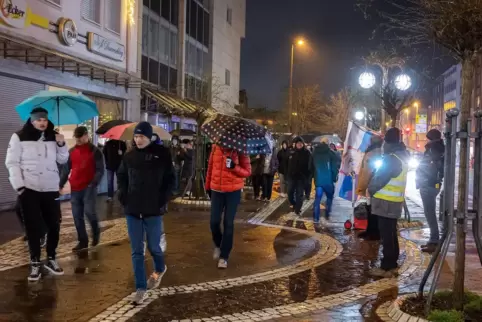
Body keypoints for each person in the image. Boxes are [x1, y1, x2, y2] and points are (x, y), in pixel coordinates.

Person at [5, 107, 69, 281]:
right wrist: (20, 187)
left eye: (45, 120)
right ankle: (34, 262)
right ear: (32, 121)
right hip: (29, 188)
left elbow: (63, 160)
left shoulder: (53, 136)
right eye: (39, 120)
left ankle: (51, 258)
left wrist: (62, 144)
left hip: (50, 187)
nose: (42, 123)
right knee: (32, 228)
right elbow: (12, 162)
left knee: (54, 225)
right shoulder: (19, 136)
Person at [117, 122, 174, 304]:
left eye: (142, 136)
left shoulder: (162, 155)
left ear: (149, 137)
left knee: (154, 247)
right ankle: (140, 289)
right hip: (132, 209)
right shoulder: (129, 156)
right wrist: (123, 196)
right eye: (136, 136)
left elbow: (171, 180)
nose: (138, 139)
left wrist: (162, 200)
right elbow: (122, 177)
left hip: (153, 209)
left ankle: (160, 267)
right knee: (136, 251)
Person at [367, 128, 409, 278]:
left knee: (386, 235)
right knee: (391, 234)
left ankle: (387, 266)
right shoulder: (401, 156)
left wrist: (370, 189)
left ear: (388, 141)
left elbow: (380, 179)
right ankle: (392, 263)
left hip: (386, 202)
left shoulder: (391, 158)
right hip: (394, 202)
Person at [205, 144, 251, 268]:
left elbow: (247, 171)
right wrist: (208, 186)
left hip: (233, 192)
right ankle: (219, 245)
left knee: (228, 223)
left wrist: (234, 167)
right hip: (216, 191)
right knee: (214, 222)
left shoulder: (240, 148)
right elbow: (210, 167)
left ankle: (224, 256)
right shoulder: (215, 147)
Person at [60, 126, 105, 251]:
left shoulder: (95, 151)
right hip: (75, 187)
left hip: (89, 187)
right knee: (77, 215)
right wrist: (60, 184)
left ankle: (96, 232)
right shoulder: (71, 151)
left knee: (89, 211)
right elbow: (66, 170)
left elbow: (100, 170)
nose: (78, 139)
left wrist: (93, 183)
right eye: (76, 137)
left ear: (86, 135)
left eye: (80, 136)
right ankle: (83, 241)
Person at [416, 129, 445, 253]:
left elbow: (431, 168)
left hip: (429, 185)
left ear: (431, 138)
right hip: (431, 184)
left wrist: (424, 179)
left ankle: (434, 241)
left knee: (430, 214)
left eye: (428, 137)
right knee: (430, 213)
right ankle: (432, 240)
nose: (426, 140)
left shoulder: (433, 150)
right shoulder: (436, 149)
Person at [356, 135, 383, 240]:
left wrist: (362, 187)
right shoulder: (378, 152)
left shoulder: (372, 153)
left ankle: (373, 232)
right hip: (374, 186)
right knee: (371, 209)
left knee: (372, 210)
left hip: (371, 186)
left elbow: (367, 172)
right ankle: (370, 231)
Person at [312, 139, 340, 223]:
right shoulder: (331, 153)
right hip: (328, 180)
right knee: (329, 197)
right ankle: (327, 214)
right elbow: (334, 167)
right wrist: (334, 178)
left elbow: (311, 165)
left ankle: (316, 218)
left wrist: (314, 175)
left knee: (317, 199)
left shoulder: (314, 153)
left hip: (318, 180)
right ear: (327, 144)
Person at [287, 137, 312, 216]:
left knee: (299, 194)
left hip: (302, 177)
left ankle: (298, 209)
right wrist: (288, 174)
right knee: (290, 192)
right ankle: (293, 203)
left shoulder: (307, 153)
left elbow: (310, 166)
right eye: (298, 143)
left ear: (303, 144)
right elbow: (288, 165)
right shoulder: (292, 152)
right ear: (296, 144)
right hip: (292, 176)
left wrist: (308, 176)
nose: (299, 145)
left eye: (301, 143)